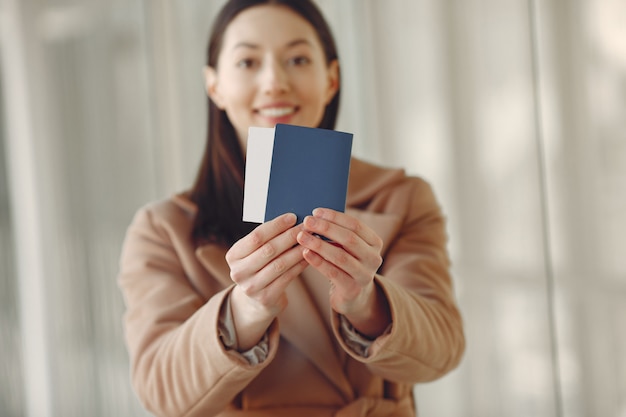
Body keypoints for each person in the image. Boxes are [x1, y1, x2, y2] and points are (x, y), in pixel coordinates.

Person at [117, 0, 465, 416]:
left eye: (298, 58)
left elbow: (443, 349)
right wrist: (244, 311)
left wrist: (367, 303)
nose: (275, 81)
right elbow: (161, 393)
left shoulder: (402, 198)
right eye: (247, 62)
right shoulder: (163, 230)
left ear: (331, 78)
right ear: (215, 86)